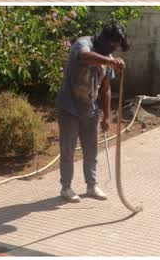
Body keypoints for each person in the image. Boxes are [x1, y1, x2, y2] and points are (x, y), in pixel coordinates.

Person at [55, 23, 129, 203]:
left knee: (91, 150)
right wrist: (109, 61)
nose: (112, 50)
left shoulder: (107, 59)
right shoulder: (83, 44)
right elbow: (85, 57)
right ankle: (66, 187)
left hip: (90, 109)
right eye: (112, 46)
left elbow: (105, 89)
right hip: (69, 107)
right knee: (68, 149)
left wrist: (107, 116)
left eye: (116, 48)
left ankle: (91, 185)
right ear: (103, 39)